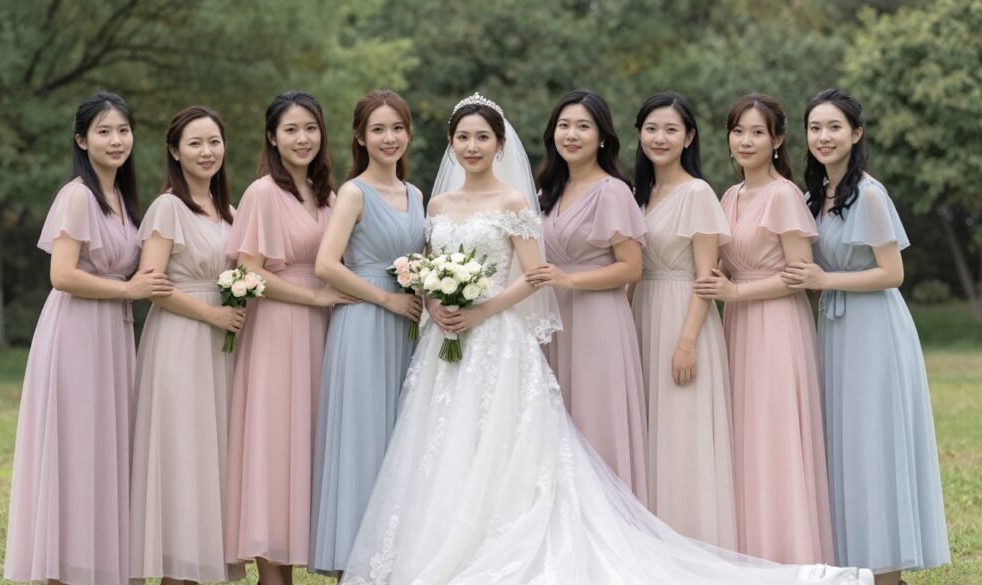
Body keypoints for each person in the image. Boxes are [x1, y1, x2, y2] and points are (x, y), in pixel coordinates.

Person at [339, 93, 871, 585]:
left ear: (502, 145)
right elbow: (431, 266)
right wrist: (439, 303)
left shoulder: (529, 202)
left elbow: (543, 273)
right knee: (447, 444)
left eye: (483, 137)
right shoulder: (448, 204)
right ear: (451, 146)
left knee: (522, 440)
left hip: (513, 331)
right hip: (450, 344)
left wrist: (481, 312)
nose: (472, 146)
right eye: (462, 138)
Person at [782, 89, 950, 585]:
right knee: (845, 444)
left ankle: (888, 573)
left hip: (875, 331)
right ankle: (856, 566)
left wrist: (823, 281)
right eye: (815, 128)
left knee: (874, 446)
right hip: (836, 332)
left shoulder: (870, 194)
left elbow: (892, 272)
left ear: (856, 134)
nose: (823, 137)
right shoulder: (816, 195)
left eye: (834, 127)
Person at [5, 92, 173, 585]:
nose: (116, 140)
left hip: (114, 336)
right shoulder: (77, 195)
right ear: (82, 140)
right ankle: (61, 567)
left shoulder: (124, 199)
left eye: (123, 130)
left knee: (106, 446)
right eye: (104, 131)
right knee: (74, 447)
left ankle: (98, 565)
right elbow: (61, 274)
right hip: (76, 332)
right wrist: (129, 288)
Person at [694, 93, 832, 565]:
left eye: (757, 132)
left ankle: (788, 553)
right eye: (738, 132)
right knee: (744, 437)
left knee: (775, 436)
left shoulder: (784, 195)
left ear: (777, 141)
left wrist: (736, 294)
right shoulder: (729, 196)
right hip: (737, 328)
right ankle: (748, 555)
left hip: (777, 327)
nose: (746, 141)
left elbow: (801, 272)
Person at [224, 91, 353, 585]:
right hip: (278, 327)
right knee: (275, 441)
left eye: (311, 129)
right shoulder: (262, 194)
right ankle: (273, 573)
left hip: (326, 332)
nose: (302, 139)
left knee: (315, 439)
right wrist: (316, 299)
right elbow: (249, 272)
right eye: (291, 130)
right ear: (272, 138)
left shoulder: (331, 197)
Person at [310, 89, 426, 576]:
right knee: (361, 436)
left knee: (398, 438)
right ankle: (349, 560)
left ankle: (392, 558)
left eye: (396, 127)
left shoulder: (417, 194)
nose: (389, 138)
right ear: (360, 136)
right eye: (378, 129)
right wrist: (386, 299)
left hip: (406, 329)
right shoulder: (354, 193)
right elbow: (325, 265)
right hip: (363, 323)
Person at [130, 105, 245, 584]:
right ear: (175, 152)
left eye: (213, 142)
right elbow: (150, 280)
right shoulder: (168, 208)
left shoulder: (233, 213)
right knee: (180, 454)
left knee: (211, 457)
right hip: (179, 343)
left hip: (222, 350)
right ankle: (174, 571)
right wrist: (213, 313)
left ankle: (199, 570)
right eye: (195, 143)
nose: (206, 152)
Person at [628, 91, 736, 548]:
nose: (660, 137)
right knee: (650, 433)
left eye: (671, 129)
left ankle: (692, 544)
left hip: (684, 317)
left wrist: (687, 341)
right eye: (652, 128)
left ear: (689, 136)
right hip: (642, 312)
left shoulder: (698, 193)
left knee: (682, 435)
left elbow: (707, 275)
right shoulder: (640, 193)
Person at [529, 89, 648, 501]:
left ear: (602, 137)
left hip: (599, 319)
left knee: (597, 422)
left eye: (583, 126)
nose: (572, 135)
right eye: (564, 126)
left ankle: (609, 522)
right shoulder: (546, 192)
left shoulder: (613, 191)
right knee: (558, 422)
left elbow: (632, 268)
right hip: (554, 319)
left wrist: (570, 280)